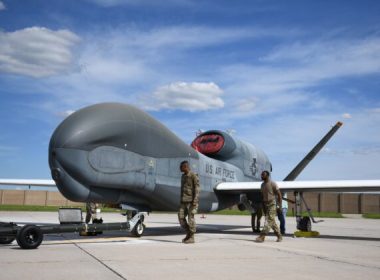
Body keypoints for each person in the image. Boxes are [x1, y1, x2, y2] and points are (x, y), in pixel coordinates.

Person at [255, 171, 283, 243]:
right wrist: (263, 206)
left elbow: (279, 194)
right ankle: (279, 236)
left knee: (268, 220)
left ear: (267, 175)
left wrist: (279, 205)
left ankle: (262, 236)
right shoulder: (262, 185)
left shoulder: (272, 183)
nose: (261, 176)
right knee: (272, 221)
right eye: (261, 174)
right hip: (265, 204)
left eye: (263, 175)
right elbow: (262, 196)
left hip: (272, 204)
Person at [178, 160, 200, 244]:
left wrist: (195, 201)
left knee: (191, 219)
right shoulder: (183, 176)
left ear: (185, 167)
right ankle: (188, 233)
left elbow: (197, 189)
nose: (180, 168)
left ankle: (192, 237)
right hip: (183, 201)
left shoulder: (193, 176)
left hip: (191, 202)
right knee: (181, 218)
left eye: (181, 167)